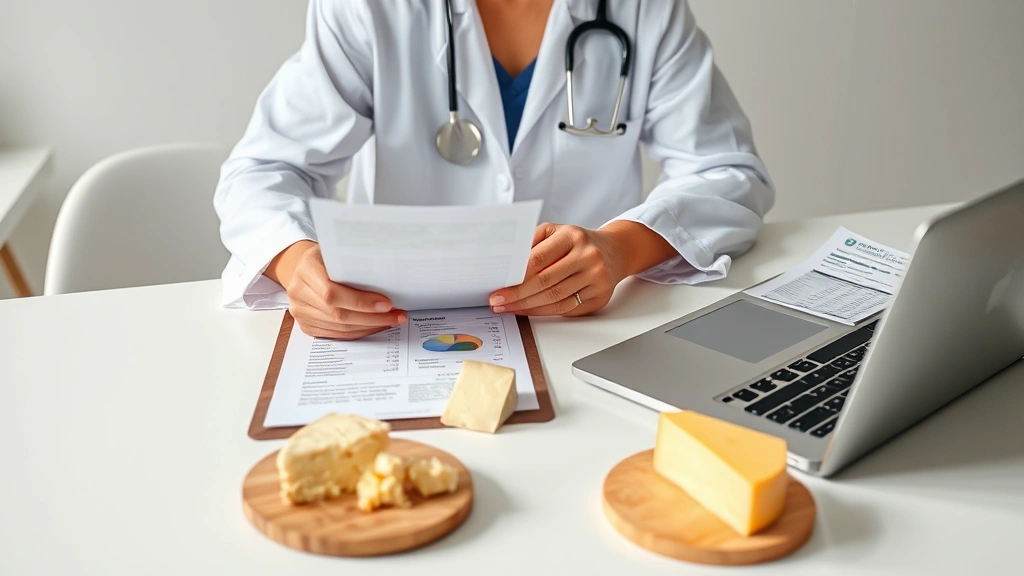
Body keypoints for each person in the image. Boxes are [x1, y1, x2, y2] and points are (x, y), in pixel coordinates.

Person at [214, 0, 774, 340]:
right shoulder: (371, 8)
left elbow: (726, 170)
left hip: (583, 331)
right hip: (391, 329)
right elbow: (264, 168)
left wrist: (620, 249)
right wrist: (295, 262)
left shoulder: (644, 9)